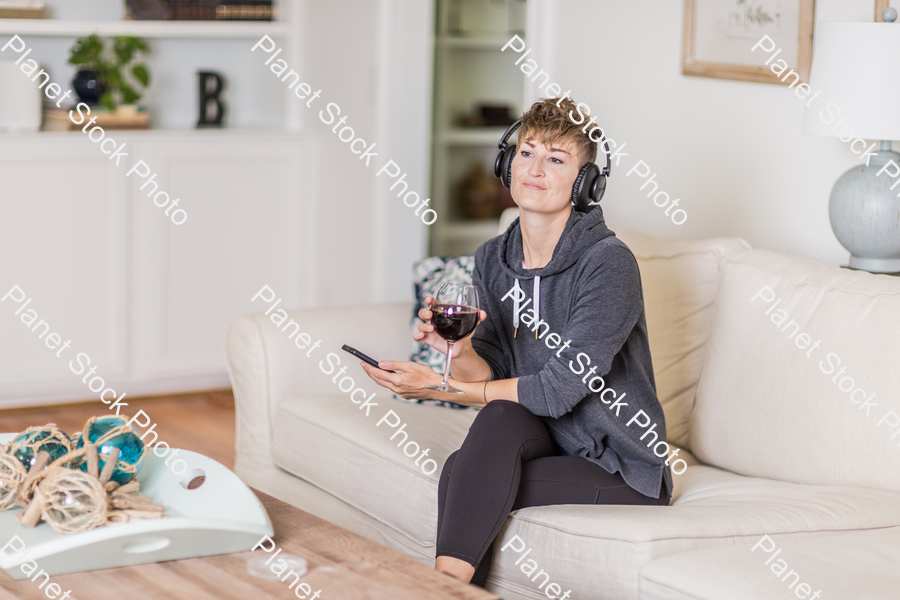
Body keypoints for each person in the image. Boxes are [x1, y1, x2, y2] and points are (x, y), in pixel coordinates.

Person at [361, 96, 672, 588]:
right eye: (526, 153)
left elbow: (556, 391)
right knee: (497, 421)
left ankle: (440, 591)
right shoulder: (493, 257)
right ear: (507, 164)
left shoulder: (608, 264)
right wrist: (457, 356)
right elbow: (493, 371)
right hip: (550, 435)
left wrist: (438, 388)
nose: (535, 169)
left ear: (586, 183)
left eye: (556, 159)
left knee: (463, 475)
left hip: (619, 465)